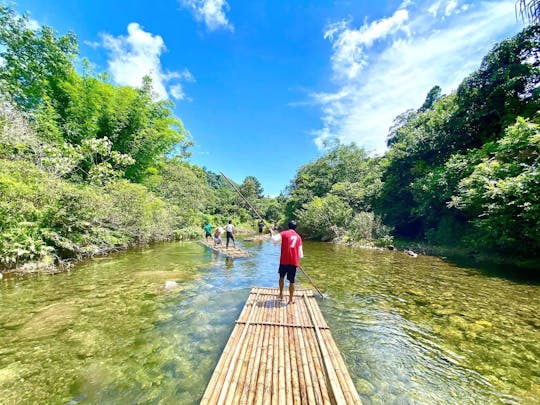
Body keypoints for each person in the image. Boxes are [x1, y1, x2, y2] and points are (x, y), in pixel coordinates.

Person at [271, 220, 303, 304]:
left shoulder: (283, 233)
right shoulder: (299, 237)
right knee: (292, 281)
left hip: (284, 261)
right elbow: (300, 254)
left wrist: (271, 233)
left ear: (288, 226)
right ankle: (290, 299)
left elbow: (274, 240)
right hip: (293, 262)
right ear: (296, 228)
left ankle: (281, 294)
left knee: (281, 277)